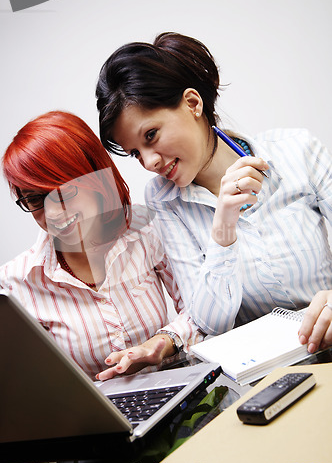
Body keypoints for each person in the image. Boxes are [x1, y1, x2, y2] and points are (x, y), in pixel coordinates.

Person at [96, 31, 332, 355]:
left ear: (193, 103)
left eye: (151, 135)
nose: (149, 162)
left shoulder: (296, 150)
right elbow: (210, 323)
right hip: (263, 377)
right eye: (135, 152)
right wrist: (222, 231)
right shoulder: (164, 200)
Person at [0, 110, 203, 381]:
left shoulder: (145, 227)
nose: (52, 214)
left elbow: (199, 310)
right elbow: (34, 383)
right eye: (35, 200)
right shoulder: (17, 282)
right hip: (96, 419)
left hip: (179, 389)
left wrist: (163, 343)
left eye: (62, 192)